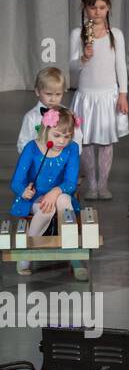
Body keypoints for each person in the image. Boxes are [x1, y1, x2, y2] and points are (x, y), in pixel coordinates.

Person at [69, 0, 129, 200]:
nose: (97, 12)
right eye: (92, 7)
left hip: (108, 97)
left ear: (109, 8)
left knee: (105, 142)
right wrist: (83, 58)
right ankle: (91, 185)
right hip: (86, 96)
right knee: (85, 141)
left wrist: (123, 93)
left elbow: (120, 65)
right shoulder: (78, 34)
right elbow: (73, 67)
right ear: (84, 8)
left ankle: (103, 185)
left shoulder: (116, 34)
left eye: (102, 7)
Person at [10, 106, 83, 279]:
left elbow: (71, 182)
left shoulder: (71, 149)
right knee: (46, 210)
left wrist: (55, 192)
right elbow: (17, 181)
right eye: (57, 135)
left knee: (65, 203)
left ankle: (74, 256)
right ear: (45, 130)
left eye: (67, 136)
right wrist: (23, 191)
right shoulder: (32, 148)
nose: (62, 142)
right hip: (35, 197)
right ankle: (26, 254)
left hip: (60, 193)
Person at [16, 67, 83, 152]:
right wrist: (31, 156)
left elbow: (77, 137)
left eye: (58, 94)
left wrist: (73, 155)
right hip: (39, 162)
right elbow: (23, 142)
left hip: (61, 161)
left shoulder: (68, 115)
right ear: (37, 91)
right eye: (48, 94)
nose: (53, 99)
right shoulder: (31, 117)